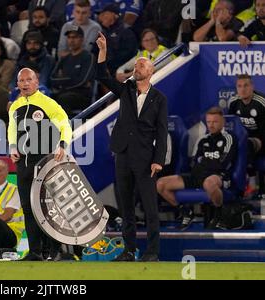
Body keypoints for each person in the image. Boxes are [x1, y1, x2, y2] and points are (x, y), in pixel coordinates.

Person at [95, 32, 168, 262]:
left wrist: (158, 159)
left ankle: (152, 252)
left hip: (146, 158)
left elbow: (162, 131)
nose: (137, 67)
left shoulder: (159, 98)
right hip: (123, 154)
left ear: (151, 71)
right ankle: (128, 251)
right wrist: (103, 51)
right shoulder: (125, 90)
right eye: (136, 64)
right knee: (126, 206)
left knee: (149, 207)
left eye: (142, 65)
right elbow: (101, 76)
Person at [8, 67, 72, 261]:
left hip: (44, 162)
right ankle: (35, 251)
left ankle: (56, 250)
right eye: (22, 80)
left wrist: (62, 144)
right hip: (24, 164)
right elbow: (12, 128)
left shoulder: (47, 103)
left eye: (29, 80)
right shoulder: (15, 106)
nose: (25, 84)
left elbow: (65, 124)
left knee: (48, 208)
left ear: (37, 82)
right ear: (17, 84)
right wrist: (12, 146)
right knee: (28, 208)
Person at [157, 107, 238, 230]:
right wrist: (206, 164)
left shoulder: (228, 138)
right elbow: (194, 162)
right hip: (197, 176)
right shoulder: (202, 140)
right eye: (209, 122)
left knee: (209, 183)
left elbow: (223, 163)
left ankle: (219, 215)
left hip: (218, 176)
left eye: (215, 122)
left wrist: (205, 163)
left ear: (223, 122)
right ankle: (186, 212)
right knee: (161, 184)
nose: (211, 125)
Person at [50, 26, 95, 116]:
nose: (71, 40)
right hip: (63, 92)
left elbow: (82, 81)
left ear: (81, 39)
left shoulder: (88, 57)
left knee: (63, 99)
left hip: (82, 94)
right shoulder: (64, 58)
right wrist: (69, 80)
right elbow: (52, 79)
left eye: (75, 37)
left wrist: (63, 82)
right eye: (69, 37)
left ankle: (70, 127)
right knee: (47, 98)